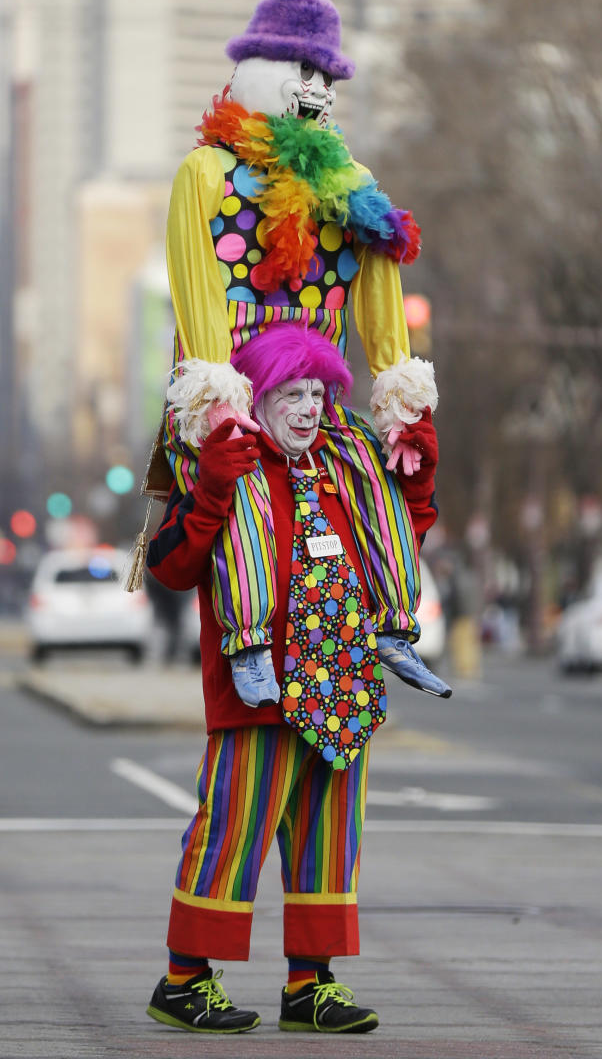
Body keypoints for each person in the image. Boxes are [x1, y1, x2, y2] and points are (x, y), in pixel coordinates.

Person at [144, 323, 438, 1035]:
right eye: (291, 394)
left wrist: (419, 479)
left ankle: (312, 984)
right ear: (257, 398)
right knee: (232, 833)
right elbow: (171, 566)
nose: (309, 408)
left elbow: (400, 540)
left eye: (319, 394)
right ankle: (185, 981)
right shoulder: (230, 466)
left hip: (342, 688)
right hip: (260, 693)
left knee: (329, 838)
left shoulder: (343, 471)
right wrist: (211, 487)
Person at [160, 0, 447, 707]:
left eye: (328, 78)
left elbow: (383, 302)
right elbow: (198, 292)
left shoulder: (355, 190)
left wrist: (402, 403)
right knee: (249, 508)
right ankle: (249, 641)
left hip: (322, 399)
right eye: (303, 70)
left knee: (374, 492)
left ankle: (393, 627)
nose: (317, 90)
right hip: (239, 401)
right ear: (261, 67)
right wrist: (214, 405)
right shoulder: (207, 177)